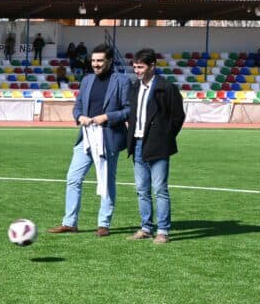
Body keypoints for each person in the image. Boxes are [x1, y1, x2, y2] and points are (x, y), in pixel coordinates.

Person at [47, 44, 131, 237]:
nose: (96, 64)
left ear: (109, 61)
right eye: (93, 61)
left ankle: (103, 224)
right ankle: (70, 222)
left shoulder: (122, 81)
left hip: (108, 136)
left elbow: (128, 110)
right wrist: (79, 117)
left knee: (107, 180)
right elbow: (77, 106)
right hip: (85, 137)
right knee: (73, 178)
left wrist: (107, 117)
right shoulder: (86, 80)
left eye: (100, 61)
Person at [125, 48, 185, 244]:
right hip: (137, 144)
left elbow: (178, 117)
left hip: (158, 145)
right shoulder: (134, 87)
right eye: (135, 67)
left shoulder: (166, 88)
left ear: (152, 66)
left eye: (141, 67)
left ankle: (163, 231)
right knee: (141, 189)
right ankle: (145, 228)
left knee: (160, 189)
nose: (137, 70)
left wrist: (165, 137)